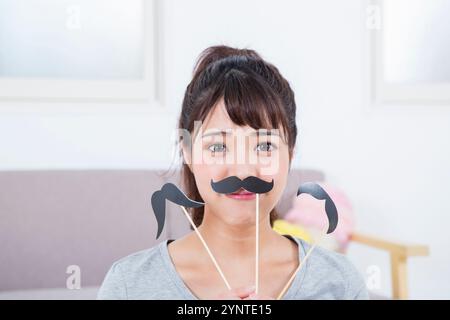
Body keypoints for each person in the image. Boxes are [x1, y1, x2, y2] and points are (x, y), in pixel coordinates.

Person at [97, 45, 369, 300]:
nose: (242, 170)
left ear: (291, 152)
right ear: (188, 153)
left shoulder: (340, 282)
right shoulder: (128, 285)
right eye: (218, 146)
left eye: (264, 145)